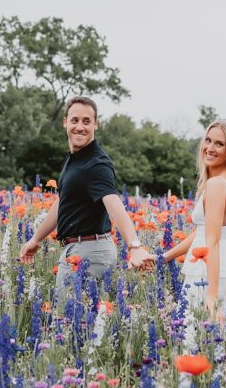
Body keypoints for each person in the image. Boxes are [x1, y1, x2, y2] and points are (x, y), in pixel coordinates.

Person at [19, 96, 155, 309]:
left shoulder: (96, 164)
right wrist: (36, 239)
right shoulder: (76, 158)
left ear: (95, 125)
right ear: (65, 122)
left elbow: (114, 204)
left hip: (87, 250)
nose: (79, 127)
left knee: (70, 322)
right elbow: (63, 202)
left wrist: (134, 246)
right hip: (83, 248)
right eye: (74, 120)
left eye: (86, 121)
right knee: (80, 322)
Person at [164, 120, 226, 322]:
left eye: (219, 144)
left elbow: (212, 241)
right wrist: (164, 258)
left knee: (204, 340)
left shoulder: (216, 185)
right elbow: (203, 233)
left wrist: (212, 296)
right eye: (208, 140)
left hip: (212, 272)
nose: (210, 148)